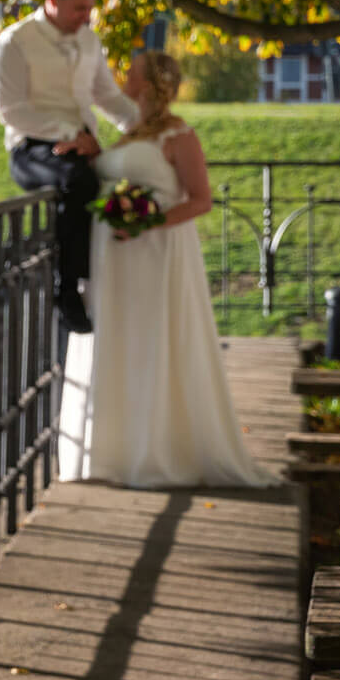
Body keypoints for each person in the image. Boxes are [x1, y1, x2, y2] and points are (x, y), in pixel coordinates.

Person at [55, 51, 275, 487]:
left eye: (131, 71)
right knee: (118, 339)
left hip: (155, 256)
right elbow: (113, 175)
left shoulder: (179, 133)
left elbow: (200, 199)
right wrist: (95, 154)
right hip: (113, 262)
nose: (123, 75)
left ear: (150, 83)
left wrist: (147, 222)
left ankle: (155, 450)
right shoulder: (130, 132)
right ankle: (111, 452)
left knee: (152, 340)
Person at [0, 0, 139, 333]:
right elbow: (11, 111)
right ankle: (66, 289)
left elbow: (108, 96)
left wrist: (149, 126)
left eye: (89, 8)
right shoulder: (15, 42)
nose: (86, 17)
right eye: (79, 9)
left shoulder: (89, 40)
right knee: (79, 181)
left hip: (82, 146)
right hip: (32, 148)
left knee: (131, 175)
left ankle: (123, 288)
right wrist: (67, 133)